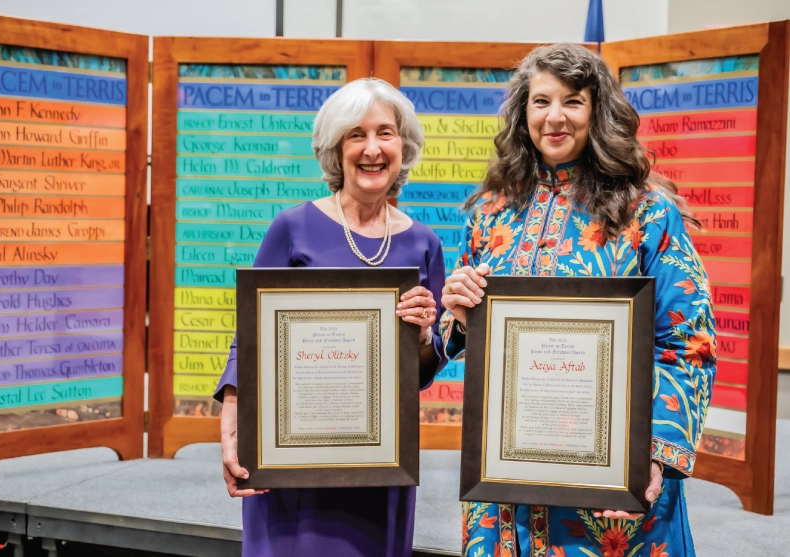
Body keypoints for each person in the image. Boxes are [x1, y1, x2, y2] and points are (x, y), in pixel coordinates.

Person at [440, 44, 716, 557]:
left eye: (573, 101)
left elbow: (688, 342)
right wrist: (456, 313)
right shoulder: (488, 214)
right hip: (506, 486)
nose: (555, 117)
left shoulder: (647, 215)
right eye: (541, 102)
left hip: (611, 484)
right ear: (523, 114)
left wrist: (651, 454)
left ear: (598, 111)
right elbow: (456, 334)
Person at [214, 78, 447, 557]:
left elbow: (423, 371)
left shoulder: (424, 244)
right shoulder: (292, 227)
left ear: (403, 146)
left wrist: (423, 337)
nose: (372, 149)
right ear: (335, 149)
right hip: (293, 459)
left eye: (385, 133)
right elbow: (250, 338)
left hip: (379, 463)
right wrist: (233, 419)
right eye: (355, 135)